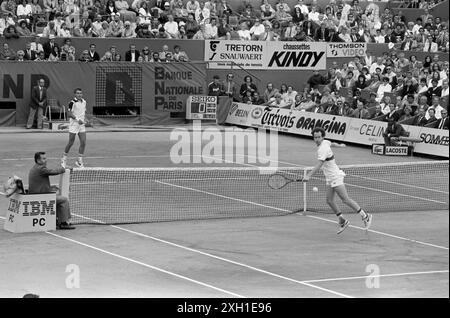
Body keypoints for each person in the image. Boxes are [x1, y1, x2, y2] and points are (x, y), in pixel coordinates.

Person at [304, 127, 372, 234]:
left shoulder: (323, 149)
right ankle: (342, 220)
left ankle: (365, 216)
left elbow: (319, 164)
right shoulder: (325, 142)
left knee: (345, 199)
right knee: (329, 200)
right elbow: (332, 143)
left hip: (335, 176)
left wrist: (308, 175)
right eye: (315, 137)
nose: (317, 139)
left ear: (322, 137)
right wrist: (340, 145)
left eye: (319, 137)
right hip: (329, 177)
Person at [29, 152, 75, 230]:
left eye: (45, 158)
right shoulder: (41, 169)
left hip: (36, 195)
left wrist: (51, 188)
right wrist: (64, 168)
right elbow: (54, 171)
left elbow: (39, 183)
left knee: (56, 197)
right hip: (40, 197)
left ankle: (57, 220)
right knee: (64, 200)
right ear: (38, 160)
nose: (46, 160)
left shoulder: (34, 168)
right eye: (43, 159)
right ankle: (63, 222)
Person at [61, 88, 87, 168]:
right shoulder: (72, 103)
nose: (79, 94)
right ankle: (64, 159)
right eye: (78, 93)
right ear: (75, 94)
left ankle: (79, 161)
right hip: (74, 125)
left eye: (80, 93)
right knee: (71, 142)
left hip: (81, 125)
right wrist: (77, 120)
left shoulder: (84, 102)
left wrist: (85, 119)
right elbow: (69, 113)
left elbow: (83, 113)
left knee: (83, 142)